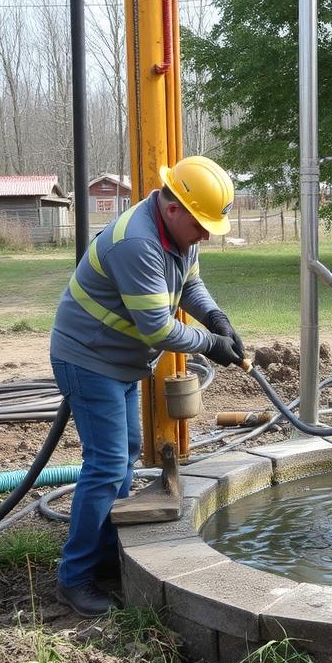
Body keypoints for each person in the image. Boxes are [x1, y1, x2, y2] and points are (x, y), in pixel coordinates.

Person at [49, 155, 245, 617]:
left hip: (120, 360)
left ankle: (104, 554)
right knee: (107, 464)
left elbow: (190, 283)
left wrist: (216, 317)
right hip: (89, 358)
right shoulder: (137, 244)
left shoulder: (177, 232)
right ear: (173, 208)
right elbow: (158, 328)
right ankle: (75, 578)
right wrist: (211, 344)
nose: (204, 236)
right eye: (200, 226)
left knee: (124, 454)